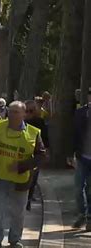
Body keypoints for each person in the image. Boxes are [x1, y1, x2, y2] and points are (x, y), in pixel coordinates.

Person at [0, 101, 46, 248]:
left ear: (24, 114)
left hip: (21, 179)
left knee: (18, 212)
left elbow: (41, 156)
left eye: (16, 112)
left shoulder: (33, 133)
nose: (12, 115)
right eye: (10, 111)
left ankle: (15, 240)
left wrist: (21, 166)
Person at [71, 87, 91, 229]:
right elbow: (73, 134)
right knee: (78, 187)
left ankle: (89, 218)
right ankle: (81, 214)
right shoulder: (80, 112)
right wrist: (70, 153)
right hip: (82, 156)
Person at [24, 100, 48, 211]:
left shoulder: (39, 122)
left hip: (35, 154)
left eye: (31, 111)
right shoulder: (19, 121)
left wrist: (45, 152)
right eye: (26, 110)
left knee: (33, 179)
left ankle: (28, 199)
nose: (28, 113)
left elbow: (45, 139)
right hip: (21, 153)